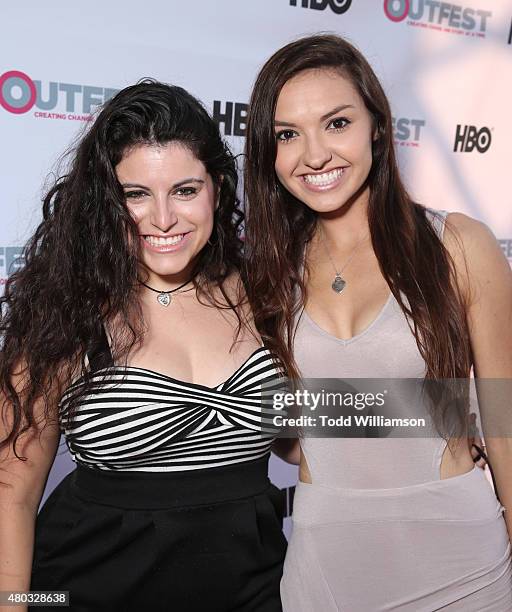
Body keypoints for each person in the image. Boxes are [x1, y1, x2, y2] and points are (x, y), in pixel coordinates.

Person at [244, 35, 512, 610]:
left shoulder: (458, 245)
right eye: (287, 134)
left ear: (377, 127)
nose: (313, 155)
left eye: (336, 124)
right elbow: (287, 439)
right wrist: (428, 406)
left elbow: (506, 421)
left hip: (462, 564)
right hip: (325, 567)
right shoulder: (265, 274)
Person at [0, 81, 287, 612]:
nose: (162, 219)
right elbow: (10, 495)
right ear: (107, 201)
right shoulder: (68, 309)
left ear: (218, 189)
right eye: (136, 194)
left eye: (184, 190)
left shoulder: (265, 295)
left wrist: (459, 414)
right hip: (80, 592)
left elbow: (310, 428)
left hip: (252, 592)